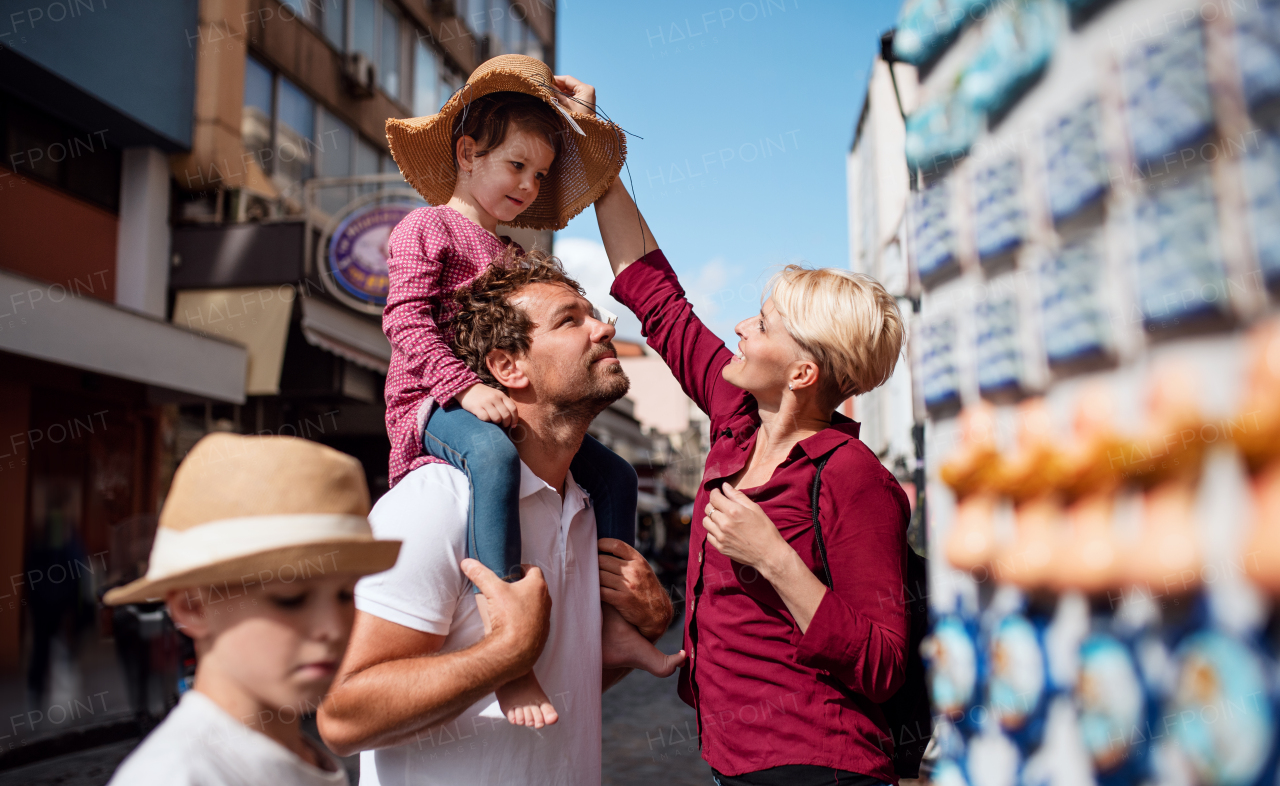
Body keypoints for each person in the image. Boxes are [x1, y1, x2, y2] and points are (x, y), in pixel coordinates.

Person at [582, 82, 911, 784]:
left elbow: (883, 663)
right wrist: (594, 152)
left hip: (819, 763)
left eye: (762, 324)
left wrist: (776, 558)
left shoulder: (855, 479)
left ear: (802, 374)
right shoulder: (736, 416)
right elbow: (657, 299)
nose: (740, 327)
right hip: (732, 757)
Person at [382, 53, 677, 727]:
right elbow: (402, 320)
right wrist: (460, 389)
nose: (528, 183)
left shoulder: (514, 255)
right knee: (490, 457)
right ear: (466, 153)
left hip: (507, 407)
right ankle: (505, 648)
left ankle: (611, 624)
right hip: (431, 404)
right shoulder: (424, 227)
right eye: (516, 165)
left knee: (618, 478)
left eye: (540, 174)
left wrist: (584, 115)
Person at [317, 253, 677, 786]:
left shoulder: (587, 506)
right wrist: (507, 653)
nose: (605, 327)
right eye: (570, 320)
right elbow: (343, 718)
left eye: (593, 313)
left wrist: (642, 624)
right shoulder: (437, 503)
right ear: (508, 367)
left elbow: (566, 686)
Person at [102, 434, 405, 786]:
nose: (333, 628)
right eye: (289, 598)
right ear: (192, 607)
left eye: (344, 595)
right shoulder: (175, 776)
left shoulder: (299, 758)